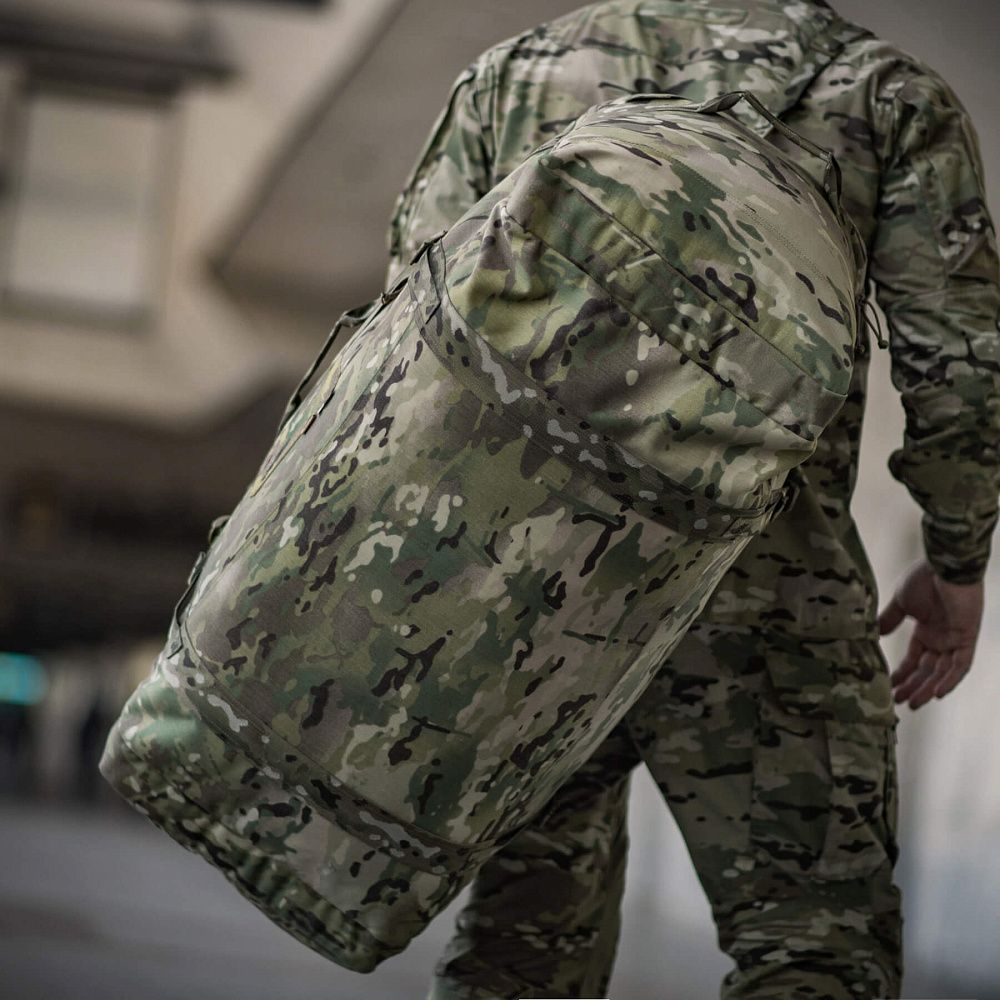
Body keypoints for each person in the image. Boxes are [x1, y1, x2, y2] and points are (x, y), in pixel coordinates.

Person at [386, 1, 1000, 996]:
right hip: (766, 584)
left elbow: (413, 345)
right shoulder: (888, 99)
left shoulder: (516, 75)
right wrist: (958, 558)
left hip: (532, 591)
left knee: (521, 943)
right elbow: (961, 367)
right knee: (816, 944)